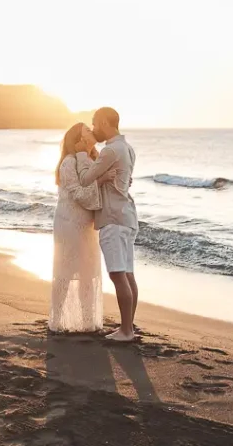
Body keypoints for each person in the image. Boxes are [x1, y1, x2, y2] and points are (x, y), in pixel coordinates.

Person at [74, 107, 138, 342]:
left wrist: (83, 153)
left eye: (94, 123)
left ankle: (126, 331)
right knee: (128, 274)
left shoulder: (110, 150)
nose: (93, 127)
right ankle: (129, 326)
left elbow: (85, 179)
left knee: (118, 275)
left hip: (113, 219)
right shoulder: (128, 148)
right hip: (127, 217)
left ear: (103, 122)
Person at [50, 123, 105, 333]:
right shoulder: (69, 162)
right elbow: (79, 194)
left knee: (87, 273)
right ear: (78, 140)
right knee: (64, 272)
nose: (92, 131)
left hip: (87, 225)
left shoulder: (91, 159)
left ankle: (87, 321)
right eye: (87, 131)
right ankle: (57, 320)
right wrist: (101, 193)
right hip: (69, 223)